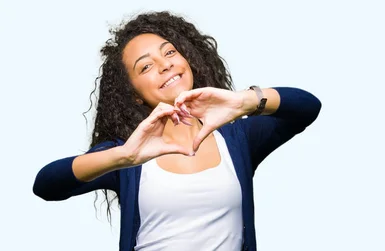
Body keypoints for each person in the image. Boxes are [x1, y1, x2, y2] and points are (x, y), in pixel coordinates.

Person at [32, 11, 321, 251]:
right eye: (145, 67)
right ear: (134, 94)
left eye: (169, 52)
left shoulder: (236, 138)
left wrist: (242, 101)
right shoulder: (130, 154)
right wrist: (122, 156)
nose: (165, 64)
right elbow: (46, 185)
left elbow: (306, 107)